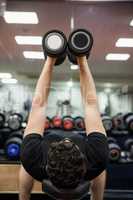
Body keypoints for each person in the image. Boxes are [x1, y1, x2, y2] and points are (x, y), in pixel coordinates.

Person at [19, 56, 109, 200]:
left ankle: (23, 197)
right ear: (84, 164)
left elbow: (38, 103)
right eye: (69, 143)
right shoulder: (96, 156)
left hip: (34, 161)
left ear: (47, 166)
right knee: (101, 164)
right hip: (95, 161)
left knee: (26, 162)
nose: (66, 139)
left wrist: (50, 58)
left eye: (63, 143)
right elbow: (90, 103)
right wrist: (81, 58)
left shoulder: (34, 159)